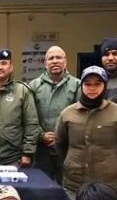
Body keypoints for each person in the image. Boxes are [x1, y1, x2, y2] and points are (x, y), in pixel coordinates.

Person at [55, 66, 117, 200]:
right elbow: (60, 145)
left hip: (107, 184)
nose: (92, 88)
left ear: (105, 86)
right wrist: (70, 164)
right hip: (74, 183)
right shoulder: (67, 113)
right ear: (81, 86)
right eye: (87, 84)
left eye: (97, 84)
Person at [28, 46, 81, 183]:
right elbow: (29, 117)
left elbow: (80, 116)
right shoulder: (34, 86)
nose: (55, 61)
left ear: (65, 61)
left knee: (67, 188)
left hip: (67, 148)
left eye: (59, 57)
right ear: (45, 64)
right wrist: (41, 135)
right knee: (41, 188)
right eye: (51, 58)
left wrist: (62, 136)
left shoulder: (77, 85)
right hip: (42, 149)